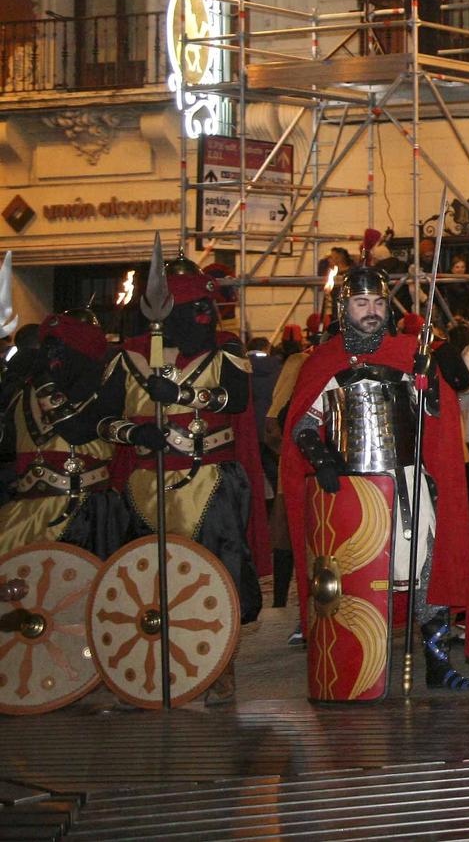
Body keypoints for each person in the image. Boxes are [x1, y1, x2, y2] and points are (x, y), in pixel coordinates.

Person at [279, 264, 469, 693]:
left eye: (378, 303)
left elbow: (435, 418)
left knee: (426, 567)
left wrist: (431, 381)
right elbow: (303, 424)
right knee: (355, 576)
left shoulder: (407, 352)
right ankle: (358, 663)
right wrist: (322, 460)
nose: (370, 311)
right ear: (343, 307)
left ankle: (438, 662)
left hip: (406, 479)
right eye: (361, 302)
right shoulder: (324, 361)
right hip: (352, 487)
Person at [98, 257, 268, 705]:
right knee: (149, 582)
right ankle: (150, 666)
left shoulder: (226, 349)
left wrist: (182, 395)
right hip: (144, 483)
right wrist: (134, 432)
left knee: (218, 575)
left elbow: (236, 398)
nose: (203, 319)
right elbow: (103, 421)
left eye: (205, 308)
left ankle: (218, 665)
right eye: (192, 308)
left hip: (210, 479)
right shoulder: (129, 356)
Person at [0, 308, 127, 555]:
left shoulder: (106, 391)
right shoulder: (21, 395)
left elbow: (77, 432)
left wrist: (43, 382)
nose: (52, 356)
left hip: (89, 516)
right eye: (49, 347)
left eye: (59, 348)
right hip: (23, 515)